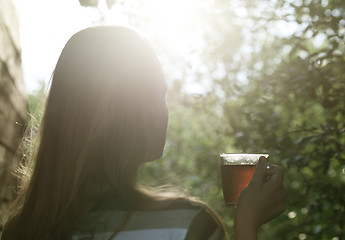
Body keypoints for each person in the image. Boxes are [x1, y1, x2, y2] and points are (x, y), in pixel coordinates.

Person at [1, 26, 285, 240]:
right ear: (127, 110)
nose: (165, 111)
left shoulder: (19, 230)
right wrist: (247, 222)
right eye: (157, 94)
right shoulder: (186, 225)